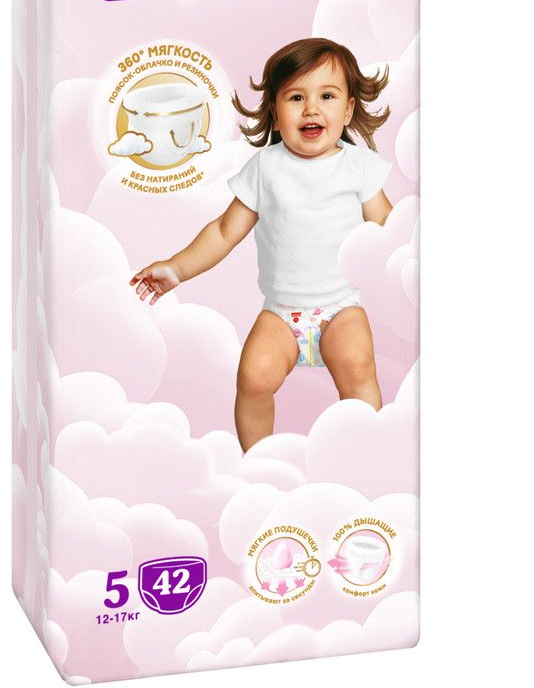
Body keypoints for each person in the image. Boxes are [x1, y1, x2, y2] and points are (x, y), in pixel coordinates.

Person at [130, 38, 394, 451]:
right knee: (253, 378)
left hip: (341, 306)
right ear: (274, 111)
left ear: (347, 110)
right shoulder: (265, 168)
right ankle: (257, 459)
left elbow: (388, 232)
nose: (311, 108)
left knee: (358, 366)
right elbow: (224, 231)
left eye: (326, 96)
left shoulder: (359, 167)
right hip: (282, 313)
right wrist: (177, 268)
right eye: (296, 97)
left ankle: (369, 451)